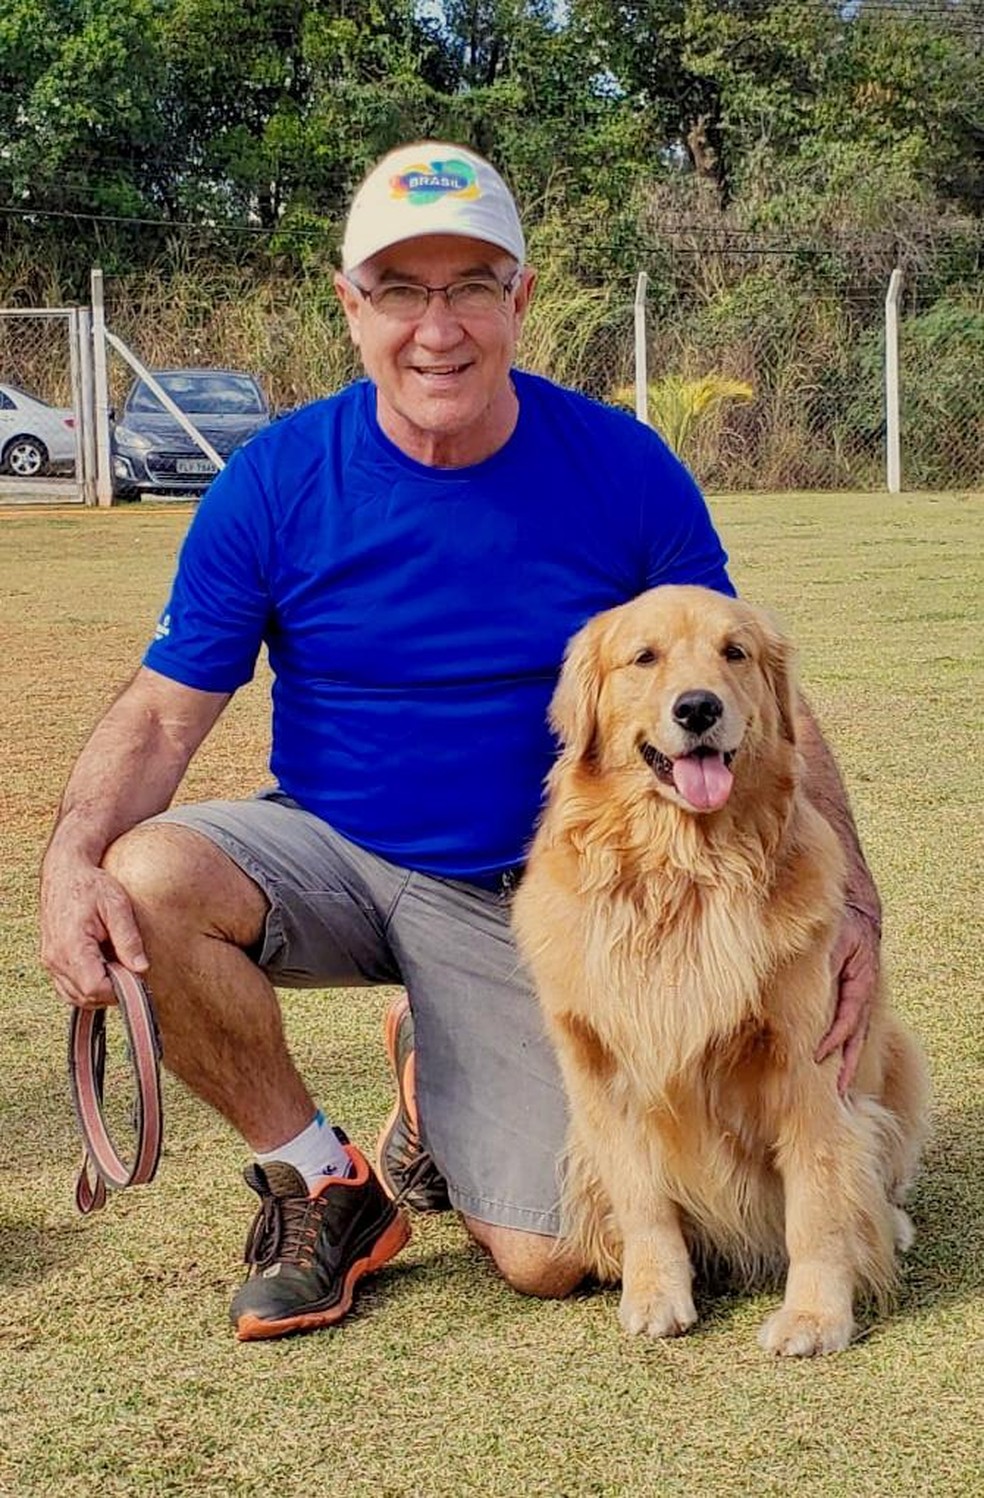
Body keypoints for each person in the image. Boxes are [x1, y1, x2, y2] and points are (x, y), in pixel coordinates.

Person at [40, 141, 882, 1342]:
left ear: (520, 299)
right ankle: (321, 1181)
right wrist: (71, 857)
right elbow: (165, 711)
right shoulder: (277, 480)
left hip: (522, 889)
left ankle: (432, 1072)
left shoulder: (622, 468)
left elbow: (737, 683)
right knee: (144, 877)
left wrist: (854, 900)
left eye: (472, 286)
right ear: (352, 307)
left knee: (554, 1252)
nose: (436, 328)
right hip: (333, 846)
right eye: (400, 290)